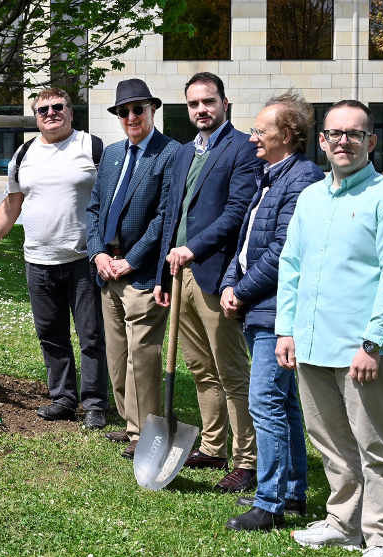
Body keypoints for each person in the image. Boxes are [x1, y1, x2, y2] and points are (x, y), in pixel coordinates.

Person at [277, 100, 383, 557]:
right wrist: (287, 330)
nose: (343, 141)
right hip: (312, 344)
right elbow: (292, 265)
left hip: (363, 349)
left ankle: (381, 539)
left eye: (354, 134)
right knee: (332, 445)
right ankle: (343, 522)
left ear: (371, 141)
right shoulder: (311, 197)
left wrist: (372, 342)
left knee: (374, 446)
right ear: (322, 141)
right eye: (334, 133)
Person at [0, 87, 110, 429]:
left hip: (83, 259)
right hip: (38, 260)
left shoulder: (92, 147)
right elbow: (11, 205)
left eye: (58, 107)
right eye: (42, 110)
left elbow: (110, 200)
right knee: (51, 334)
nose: (50, 114)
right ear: (35, 116)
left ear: (71, 112)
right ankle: (63, 398)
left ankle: (95, 403)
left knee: (91, 335)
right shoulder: (24, 153)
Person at [220, 91, 325, 531]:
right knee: (284, 405)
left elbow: (284, 251)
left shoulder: (302, 178)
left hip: (276, 311)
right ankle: (293, 493)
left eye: (260, 130)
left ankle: (271, 503)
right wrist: (230, 281)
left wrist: (241, 291)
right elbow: (246, 241)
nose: (252, 137)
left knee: (266, 403)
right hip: (257, 306)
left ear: (287, 134)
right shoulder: (270, 175)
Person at [155, 72, 261, 492]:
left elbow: (237, 213)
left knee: (231, 370)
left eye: (209, 101)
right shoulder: (183, 152)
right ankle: (214, 447)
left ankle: (246, 460)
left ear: (225, 103)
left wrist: (192, 250)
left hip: (216, 275)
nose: (202, 109)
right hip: (180, 275)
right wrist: (165, 274)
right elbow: (172, 213)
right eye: (195, 103)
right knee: (200, 368)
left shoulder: (242, 150)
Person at [86, 79, 179, 459]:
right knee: (117, 354)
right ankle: (130, 423)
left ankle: (146, 431)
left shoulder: (170, 153)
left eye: (138, 109)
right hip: (108, 271)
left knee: (142, 355)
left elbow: (164, 217)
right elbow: (93, 210)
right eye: (124, 111)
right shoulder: (110, 155)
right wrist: (97, 254)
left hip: (139, 273)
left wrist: (132, 259)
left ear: (152, 110)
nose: (131, 117)